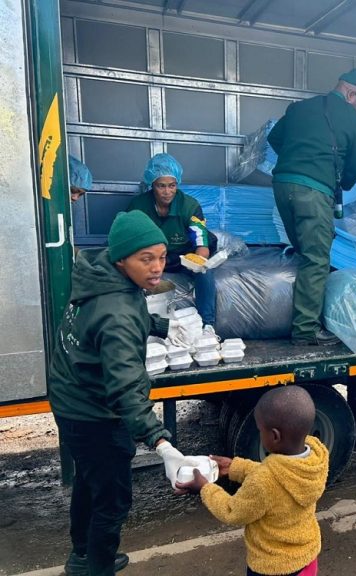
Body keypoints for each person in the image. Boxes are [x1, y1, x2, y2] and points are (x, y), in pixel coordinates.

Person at [49, 211, 202, 576]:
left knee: (89, 481)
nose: (157, 268)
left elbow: (111, 317)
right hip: (95, 413)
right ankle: (98, 568)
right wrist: (160, 441)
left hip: (69, 398)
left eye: (162, 256)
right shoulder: (117, 314)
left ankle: (82, 556)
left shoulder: (98, 274)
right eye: (145, 259)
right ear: (123, 259)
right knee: (113, 501)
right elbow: (126, 388)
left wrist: (161, 325)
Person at [176, 386, 329, 576]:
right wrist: (234, 467)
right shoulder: (316, 459)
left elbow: (233, 511)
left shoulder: (264, 481)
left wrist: (205, 488)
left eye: (260, 430)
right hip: (307, 559)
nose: (259, 434)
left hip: (274, 567)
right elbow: (280, 476)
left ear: (274, 436)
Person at [268, 69, 356, 346]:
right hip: (313, 192)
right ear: (352, 93)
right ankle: (305, 330)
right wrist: (341, 180)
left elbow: (275, 138)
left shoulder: (300, 108)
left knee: (304, 251)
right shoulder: (354, 120)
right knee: (316, 259)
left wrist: (297, 156)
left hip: (282, 185)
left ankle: (294, 313)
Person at [127, 153, 217, 329]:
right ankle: (140, 324)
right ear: (152, 184)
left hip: (185, 256)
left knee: (205, 272)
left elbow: (201, 244)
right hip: (153, 257)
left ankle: (207, 324)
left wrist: (199, 262)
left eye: (172, 186)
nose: (167, 192)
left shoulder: (189, 206)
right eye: (161, 186)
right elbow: (129, 241)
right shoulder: (138, 206)